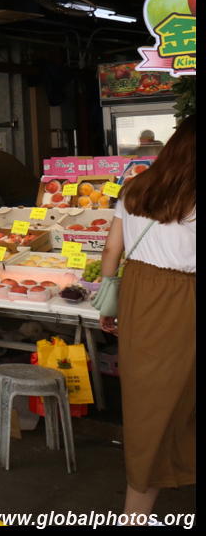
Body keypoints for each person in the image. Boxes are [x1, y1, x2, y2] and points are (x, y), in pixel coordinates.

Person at [99, 114, 195, 521]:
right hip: (182, 300)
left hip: (138, 293)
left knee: (148, 402)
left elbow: (110, 253)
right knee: (173, 402)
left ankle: (136, 511)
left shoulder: (135, 188)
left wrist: (110, 301)